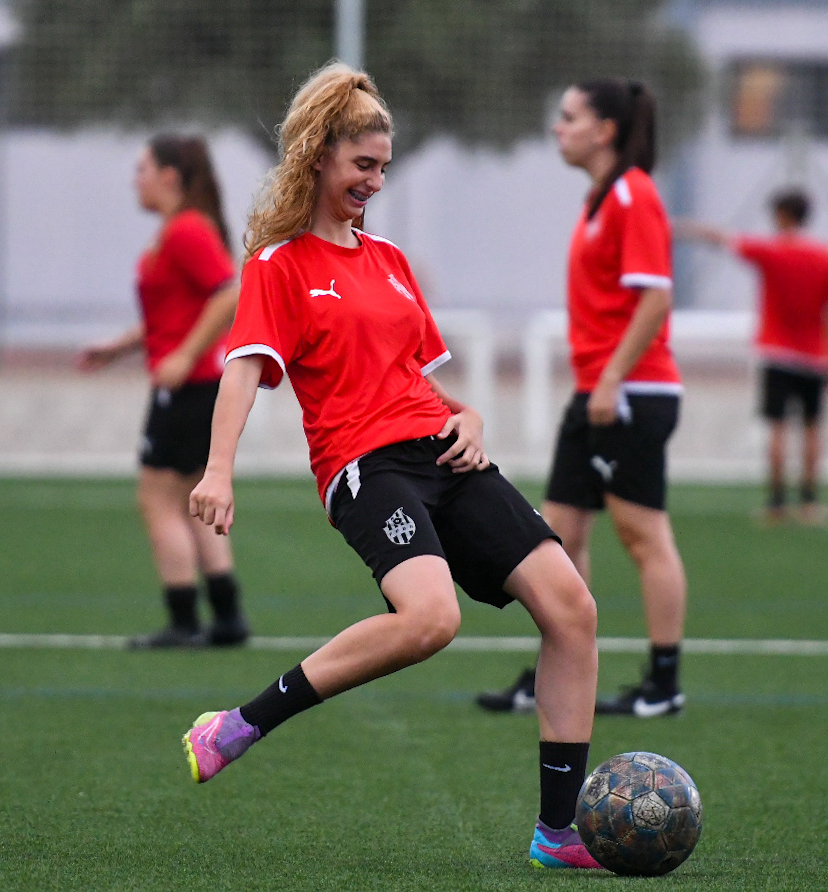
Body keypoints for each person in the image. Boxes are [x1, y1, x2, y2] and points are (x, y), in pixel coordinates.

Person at [182, 63, 604, 871]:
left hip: (443, 450)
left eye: (383, 167)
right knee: (430, 619)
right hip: (366, 469)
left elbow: (417, 376)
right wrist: (217, 471)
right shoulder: (280, 265)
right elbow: (242, 369)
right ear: (317, 158)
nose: (374, 181)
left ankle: (558, 833)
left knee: (572, 611)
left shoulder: (391, 261)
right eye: (361, 166)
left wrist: (469, 415)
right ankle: (236, 724)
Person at [477, 79, 688, 719]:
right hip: (596, 392)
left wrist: (613, 378)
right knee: (557, 537)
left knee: (642, 535)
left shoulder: (634, 194)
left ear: (606, 131)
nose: (557, 127)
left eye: (568, 117)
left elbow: (656, 297)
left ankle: (663, 684)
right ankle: (558, 671)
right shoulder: (601, 197)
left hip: (628, 393)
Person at [78, 135, 250, 648]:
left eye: (143, 169)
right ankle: (227, 616)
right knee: (192, 498)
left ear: (170, 176)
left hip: (191, 388)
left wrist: (184, 355)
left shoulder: (187, 231)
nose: (137, 179)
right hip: (196, 386)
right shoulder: (178, 231)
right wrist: (119, 348)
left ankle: (182, 621)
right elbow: (171, 316)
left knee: (157, 500)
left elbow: (230, 293)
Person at [677, 189, 828, 523]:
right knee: (812, 428)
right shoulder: (826, 257)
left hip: (777, 352)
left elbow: (722, 239)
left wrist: (681, 227)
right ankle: (809, 502)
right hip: (815, 355)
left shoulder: (771, 251)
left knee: (777, 427)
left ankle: (777, 503)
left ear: (781, 215)